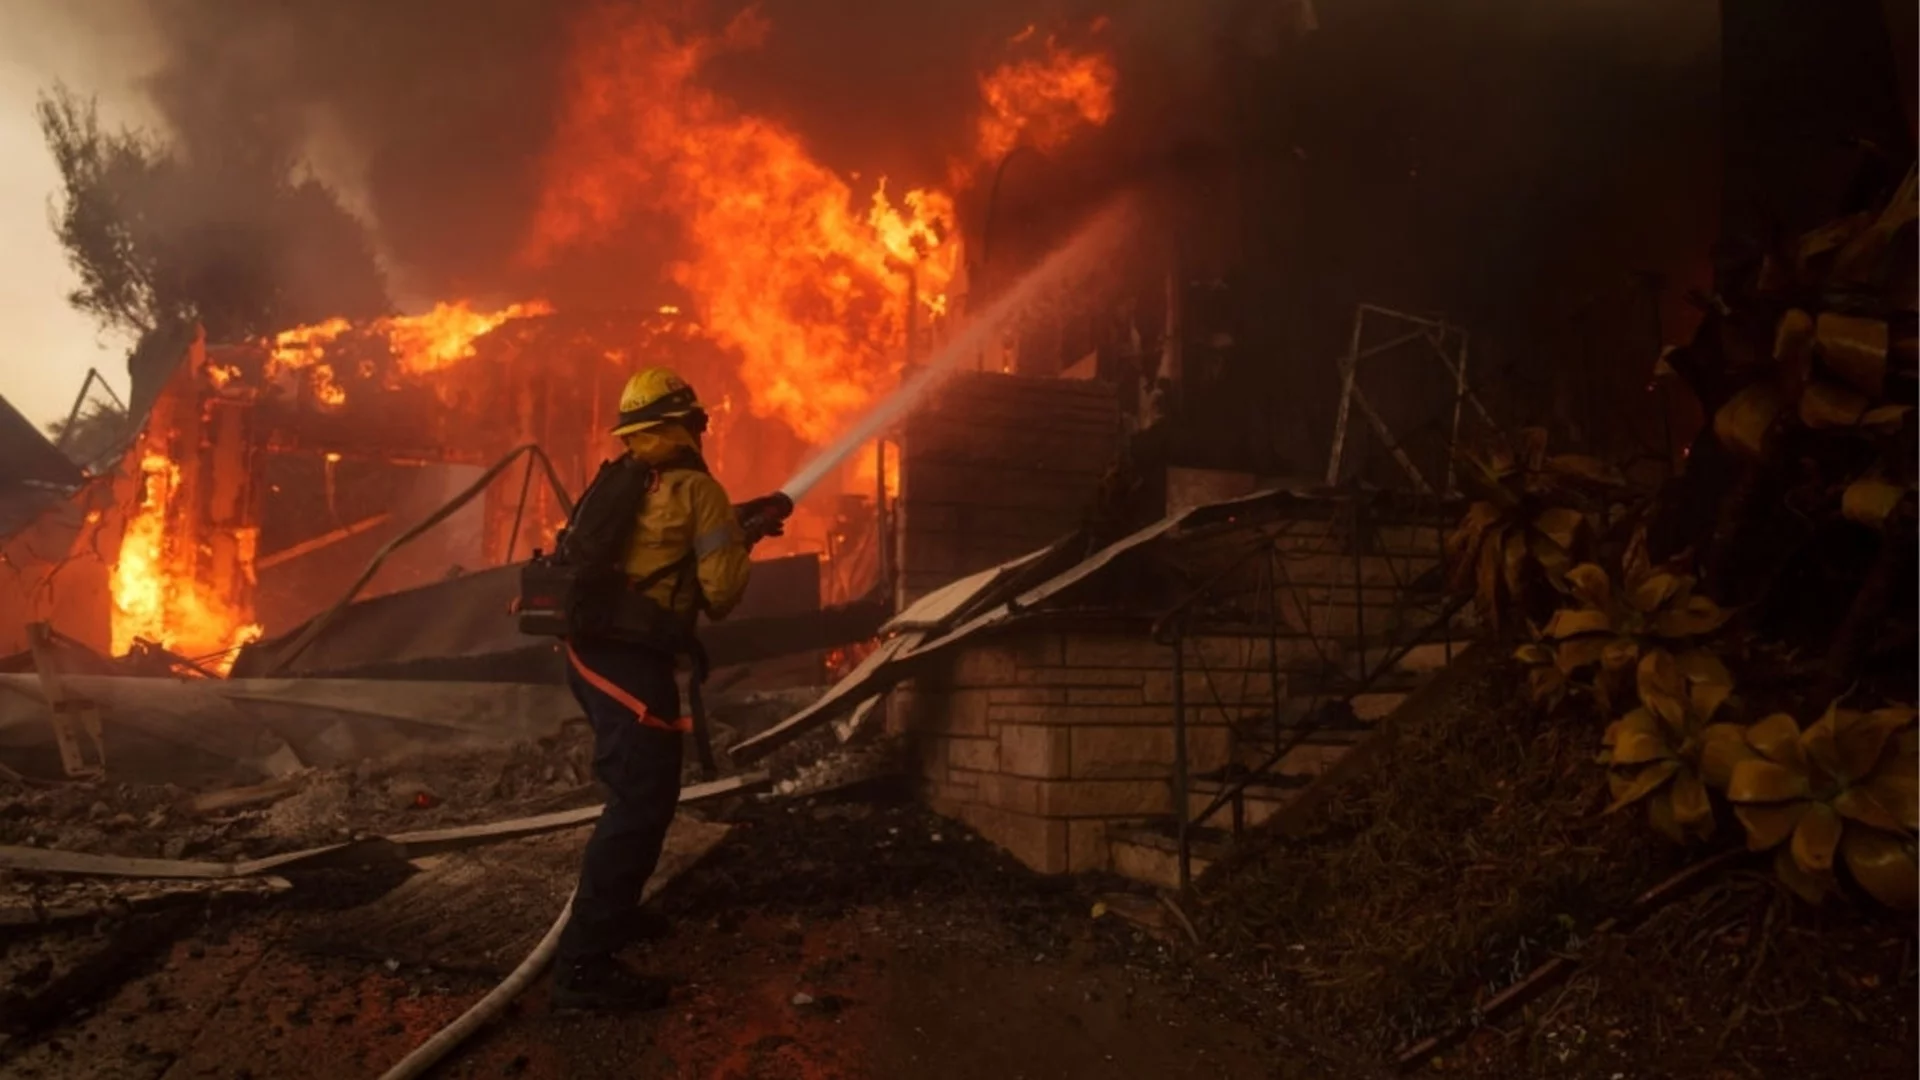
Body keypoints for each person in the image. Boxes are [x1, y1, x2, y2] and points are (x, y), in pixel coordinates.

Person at [551, 366, 751, 1011]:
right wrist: (735, 541)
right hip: (630, 662)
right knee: (640, 802)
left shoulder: (628, 480)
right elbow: (721, 593)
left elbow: (658, 550)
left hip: (592, 652)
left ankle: (615, 915)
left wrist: (730, 531)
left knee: (648, 794)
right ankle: (583, 968)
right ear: (688, 424)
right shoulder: (700, 491)